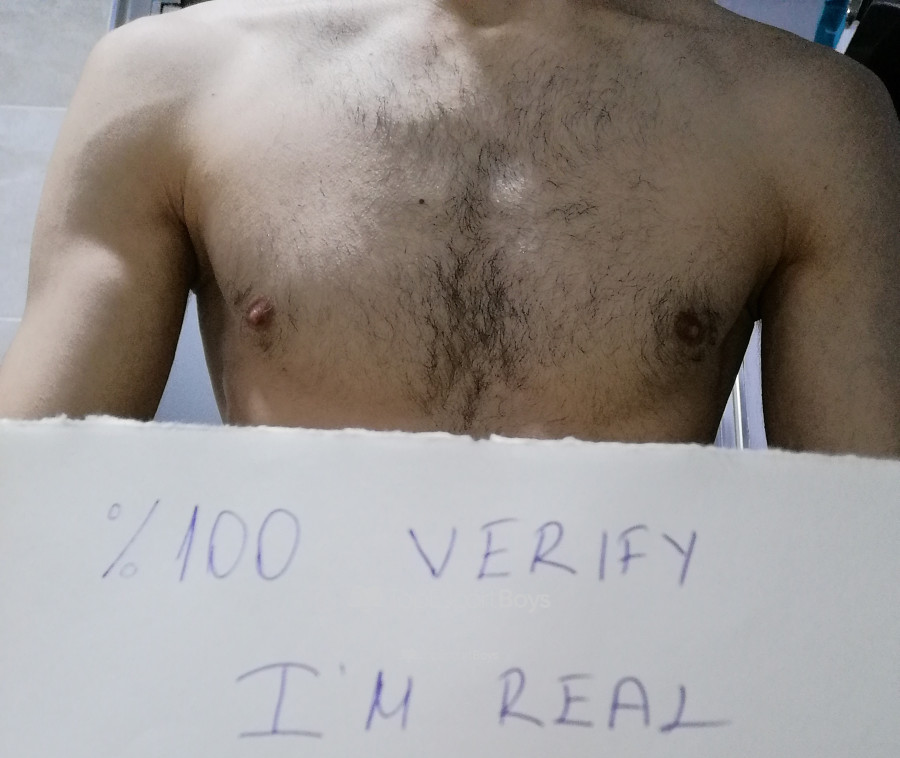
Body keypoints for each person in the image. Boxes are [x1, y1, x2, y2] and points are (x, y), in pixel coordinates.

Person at [0, 0, 898, 454]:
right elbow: (32, 506)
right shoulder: (171, 79)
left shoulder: (803, 117)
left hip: (628, 722)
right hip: (278, 708)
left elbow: (863, 566)